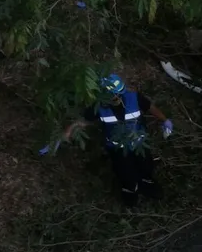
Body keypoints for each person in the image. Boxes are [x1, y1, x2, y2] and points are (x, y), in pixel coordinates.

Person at [57, 74, 174, 206]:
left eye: (119, 94)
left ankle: (147, 183)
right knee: (125, 173)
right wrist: (67, 132)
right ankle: (130, 191)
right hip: (118, 149)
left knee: (146, 166)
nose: (118, 98)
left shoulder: (133, 98)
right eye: (114, 96)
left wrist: (165, 120)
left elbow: (150, 107)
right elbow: (83, 121)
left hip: (139, 144)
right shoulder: (98, 107)